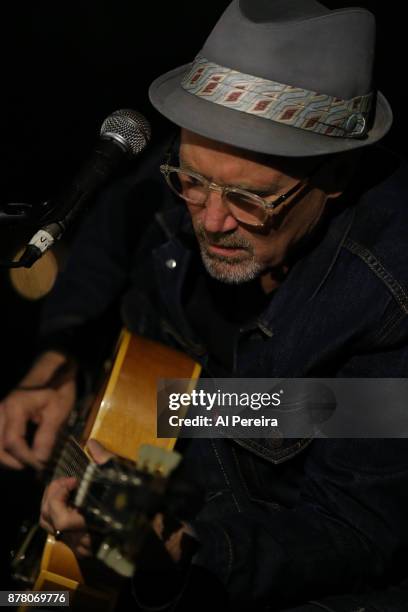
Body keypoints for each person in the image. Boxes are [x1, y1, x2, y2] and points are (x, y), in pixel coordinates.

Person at [1, 0, 408, 610]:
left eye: (251, 199)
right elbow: (112, 229)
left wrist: (179, 547)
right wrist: (57, 360)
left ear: (336, 174)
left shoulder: (387, 295)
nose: (211, 221)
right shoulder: (204, 155)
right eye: (192, 182)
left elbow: (354, 528)